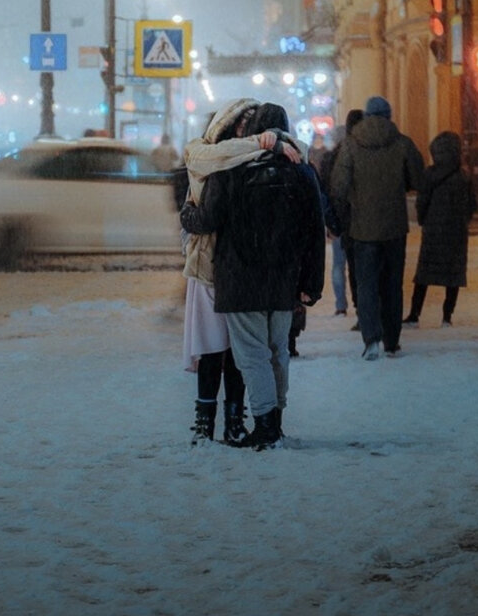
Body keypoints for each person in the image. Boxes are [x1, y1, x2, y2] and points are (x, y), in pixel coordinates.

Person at [181, 103, 324, 450]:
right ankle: (275, 419)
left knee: (251, 355)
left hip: (240, 278)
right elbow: (314, 231)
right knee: (278, 352)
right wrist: (311, 285)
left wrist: (188, 216)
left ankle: (264, 424)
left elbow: (209, 218)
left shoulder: (233, 170)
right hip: (282, 281)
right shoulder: (302, 171)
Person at [330, 95, 424, 360]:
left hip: (362, 229)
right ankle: (392, 341)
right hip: (394, 226)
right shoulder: (403, 143)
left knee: (367, 284)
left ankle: (371, 339)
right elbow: (417, 178)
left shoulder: (350, 145)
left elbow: (338, 186)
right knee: (393, 285)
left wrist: (350, 206)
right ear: (389, 115)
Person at [405, 131, 478, 328]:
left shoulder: (430, 174)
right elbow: (471, 205)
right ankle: (447, 316)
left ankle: (414, 314)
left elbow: (422, 201)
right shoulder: (463, 177)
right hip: (456, 232)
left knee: (424, 274)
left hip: (434, 231)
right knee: (452, 275)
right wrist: (463, 220)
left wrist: (424, 220)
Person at [318, 110, 363, 321]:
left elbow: (325, 191)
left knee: (338, 264)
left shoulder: (331, 157)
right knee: (358, 265)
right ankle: (360, 304)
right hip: (359, 218)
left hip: (338, 218)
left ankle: (341, 305)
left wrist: (330, 221)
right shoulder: (361, 153)